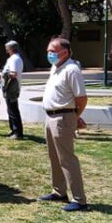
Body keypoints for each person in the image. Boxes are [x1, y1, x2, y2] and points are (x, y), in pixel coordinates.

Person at [38, 37, 88, 211]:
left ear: (65, 52)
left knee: (67, 158)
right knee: (54, 157)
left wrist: (74, 116)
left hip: (62, 118)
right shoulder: (56, 67)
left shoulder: (71, 69)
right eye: (48, 51)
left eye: (52, 51)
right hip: (50, 116)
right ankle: (59, 191)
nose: (49, 54)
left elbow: (81, 98)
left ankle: (79, 199)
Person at [1, 41, 24, 139]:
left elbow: (13, 74)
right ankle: (14, 130)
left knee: (13, 110)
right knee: (11, 110)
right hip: (10, 88)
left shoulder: (14, 59)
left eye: (7, 47)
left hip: (12, 88)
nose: (6, 49)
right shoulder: (14, 58)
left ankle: (17, 132)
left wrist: (2, 74)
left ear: (11, 49)